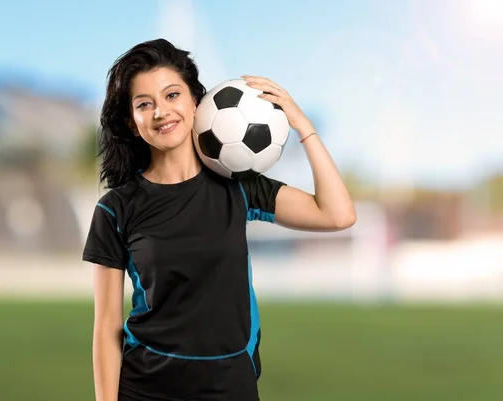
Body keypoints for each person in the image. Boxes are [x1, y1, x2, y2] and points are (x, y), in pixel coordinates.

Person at [83, 38, 356, 401]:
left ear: (196, 102)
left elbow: (337, 214)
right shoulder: (115, 209)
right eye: (144, 104)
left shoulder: (239, 187)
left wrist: (300, 124)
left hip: (231, 384)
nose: (161, 112)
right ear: (133, 123)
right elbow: (106, 326)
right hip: (146, 387)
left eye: (171, 95)